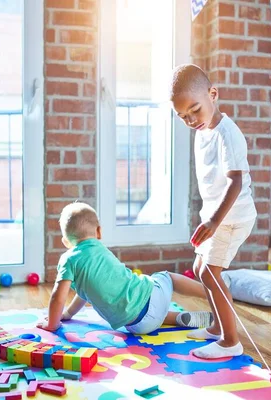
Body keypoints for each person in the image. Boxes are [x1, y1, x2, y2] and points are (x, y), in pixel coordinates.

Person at [169, 64, 257, 359]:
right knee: (198, 269)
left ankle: (230, 341)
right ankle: (218, 327)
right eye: (183, 116)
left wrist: (213, 221)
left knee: (209, 272)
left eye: (195, 109)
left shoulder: (227, 135)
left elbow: (235, 181)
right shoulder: (203, 131)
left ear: (213, 94)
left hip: (233, 217)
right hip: (217, 216)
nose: (191, 119)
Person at [37, 202, 213, 334]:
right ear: (98, 232)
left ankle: (176, 318)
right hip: (152, 299)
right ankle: (210, 292)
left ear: (66, 242)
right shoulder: (100, 250)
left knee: (141, 310)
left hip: (137, 326)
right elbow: (79, 295)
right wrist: (63, 316)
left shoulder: (69, 260)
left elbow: (60, 297)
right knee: (167, 277)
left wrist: (57, 320)